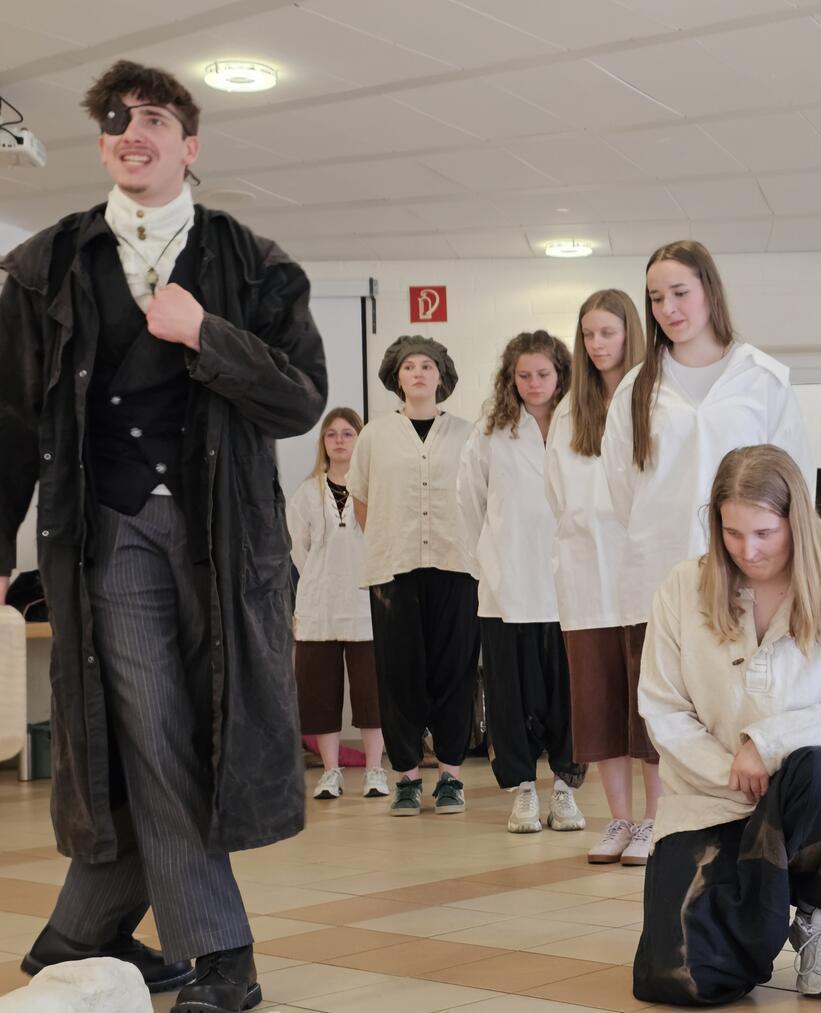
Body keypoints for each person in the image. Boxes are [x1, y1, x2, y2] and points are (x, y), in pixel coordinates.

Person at [0, 61, 326, 1013]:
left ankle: (76, 936)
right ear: (101, 145)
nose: (128, 132)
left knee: (200, 741)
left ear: (190, 143)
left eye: (151, 118)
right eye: (113, 121)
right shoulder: (42, 268)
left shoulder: (256, 263)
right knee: (153, 737)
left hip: (226, 547)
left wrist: (205, 334)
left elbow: (299, 398)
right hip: (109, 540)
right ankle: (222, 958)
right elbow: (10, 424)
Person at [633, 445, 821, 1006]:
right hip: (710, 797)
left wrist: (767, 746)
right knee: (680, 983)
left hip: (806, 800)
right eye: (732, 533)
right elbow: (662, 707)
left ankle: (820, 920)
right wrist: (733, 768)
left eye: (764, 533)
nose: (747, 550)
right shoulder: (682, 587)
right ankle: (756, 922)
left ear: (794, 522)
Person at [602, 239, 813, 703]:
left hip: (749, 573)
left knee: (747, 706)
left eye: (680, 292)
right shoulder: (636, 388)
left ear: (709, 291)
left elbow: (794, 483)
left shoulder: (761, 377)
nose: (668, 309)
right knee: (664, 718)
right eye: (656, 299)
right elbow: (621, 492)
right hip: (660, 567)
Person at [545, 290, 660, 864]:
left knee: (650, 709)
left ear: (630, 334)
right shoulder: (570, 408)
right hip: (586, 580)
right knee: (599, 706)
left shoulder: (652, 398)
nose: (596, 345)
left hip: (643, 576)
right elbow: (556, 493)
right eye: (588, 335)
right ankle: (620, 819)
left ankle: (655, 823)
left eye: (607, 333)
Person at [460, 330, 587, 834]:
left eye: (543, 374)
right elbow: (468, 502)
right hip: (506, 586)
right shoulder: (491, 431)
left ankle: (564, 787)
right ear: (510, 379)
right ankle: (523, 790)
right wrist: (486, 563)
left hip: (570, 589)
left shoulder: (583, 425)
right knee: (510, 697)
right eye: (524, 375)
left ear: (561, 375)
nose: (534, 383)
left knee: (569, 694)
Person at [347, 336, 477, 817]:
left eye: (428, 365)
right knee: (399, 674)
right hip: (393, 569)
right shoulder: (375, 436)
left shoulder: (467, 434)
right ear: (396, 378)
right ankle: (406, 777)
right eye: (409, 367)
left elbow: (480, 498)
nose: (419, 373)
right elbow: (362, 498)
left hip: (456, 564)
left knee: (454, 671)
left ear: (442, 376)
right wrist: (388, 539)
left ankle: (450, 777)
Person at [286, 407, 386, 801]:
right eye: (332, 434)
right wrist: (321, 580)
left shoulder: (376, 488)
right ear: (323, 443)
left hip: (367, 605)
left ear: (361, 440)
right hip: (319, 607)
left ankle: (376, 769)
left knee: (372, 693)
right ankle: (331, 772)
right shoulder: (308, 492)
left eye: (348, 433)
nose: (340, 440)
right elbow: (299, 549)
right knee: (319, 693)